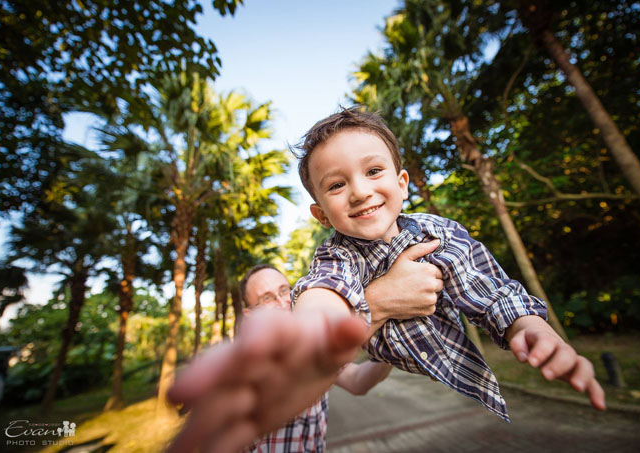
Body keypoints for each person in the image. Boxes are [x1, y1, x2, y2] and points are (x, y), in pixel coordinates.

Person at [168, 108, 605, 452]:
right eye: (337, 185)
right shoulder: (336, 255)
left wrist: (530, 328)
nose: (359, 191)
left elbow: (489, 290)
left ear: (402, 183)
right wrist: (307, 338)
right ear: (321, 214)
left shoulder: (439, 233)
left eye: (373, 172)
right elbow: (324, 294)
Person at [168, 240, 445, 453]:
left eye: (284, 290)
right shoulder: (247, 363)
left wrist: (390, 352)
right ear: (250, 312)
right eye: (267, 298)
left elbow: (358, 382)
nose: (282, 302)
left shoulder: (315, 350)